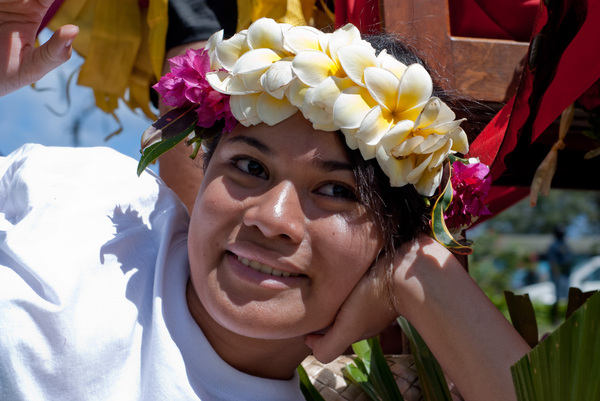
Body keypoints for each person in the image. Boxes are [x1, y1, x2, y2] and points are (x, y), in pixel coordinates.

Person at [0, 4, 530, 401]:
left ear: (391, 242)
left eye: (337, 191)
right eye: (251, 168)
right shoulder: (82, 194)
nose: (272, 219)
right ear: (204, 168)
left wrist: (422, 277)